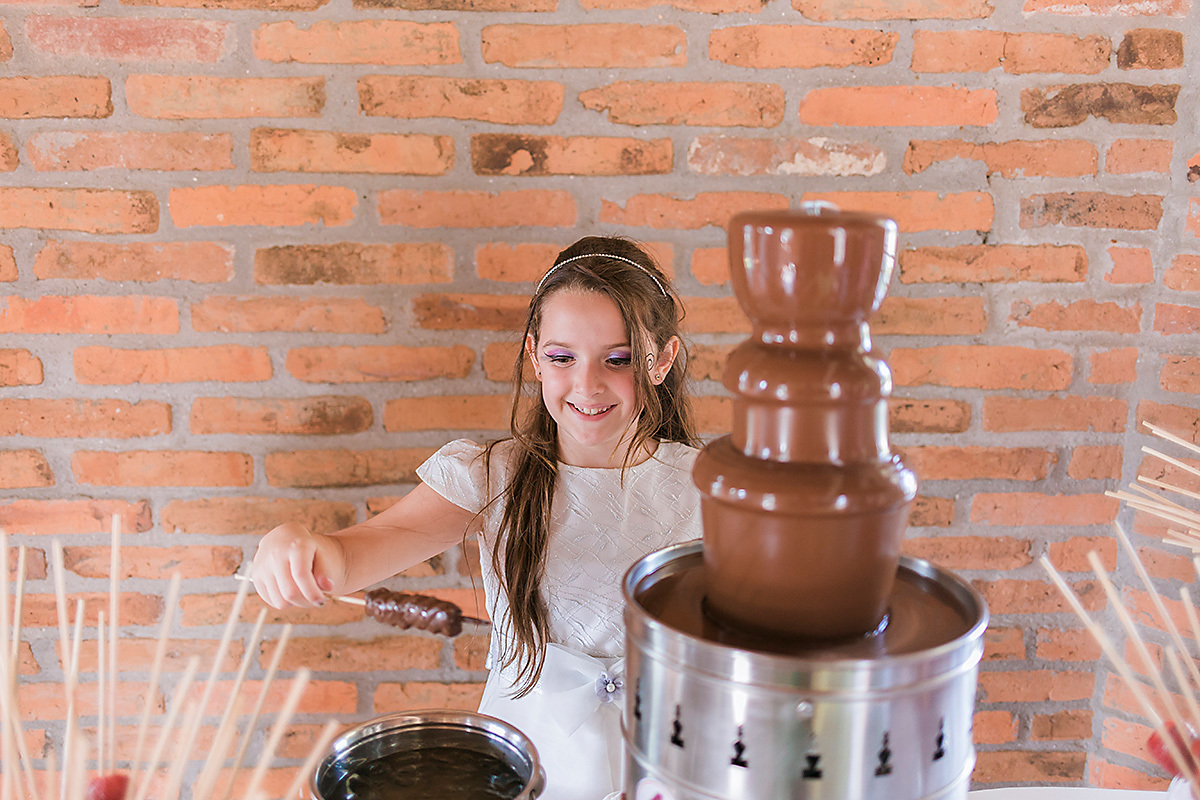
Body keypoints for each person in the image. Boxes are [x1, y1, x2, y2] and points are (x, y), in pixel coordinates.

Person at [250, 236, 702, 800]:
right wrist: (294, 543)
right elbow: (359, 550)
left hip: (672, 758)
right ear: (535, 355)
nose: (587, 384)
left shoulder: (714, 486)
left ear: (661, 360)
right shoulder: (493, 478)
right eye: (563, 358)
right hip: (525, 757)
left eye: (619, 359)